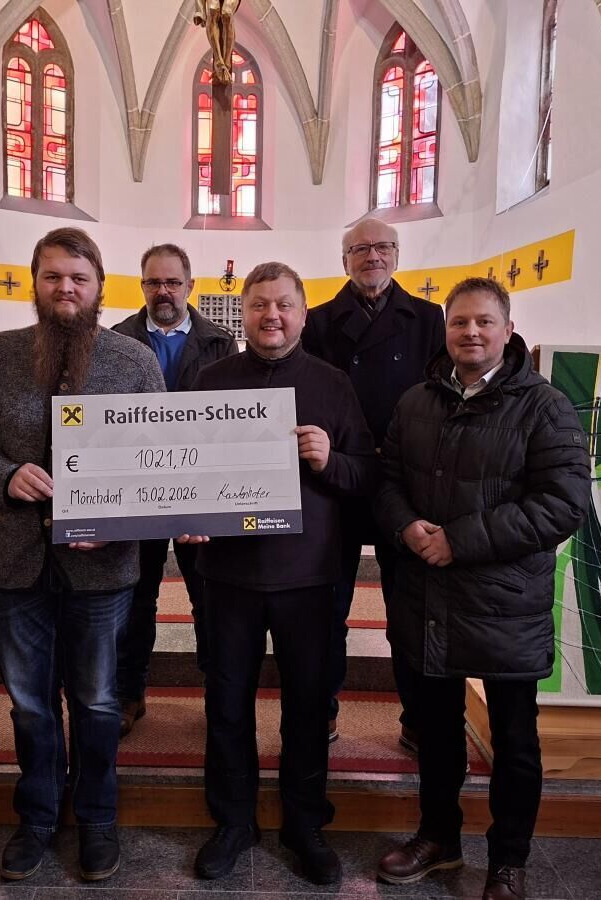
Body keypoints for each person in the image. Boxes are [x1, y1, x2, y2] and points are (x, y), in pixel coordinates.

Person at [0, 228, 164, 884]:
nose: (65, 288)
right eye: (53, 276)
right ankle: (38, 817)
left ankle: (97, 818)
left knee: (97, 703)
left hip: (103, 568)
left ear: (100, 287)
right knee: (30, 704)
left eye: (78, 277)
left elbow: (160, 456)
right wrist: (5, 474)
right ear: (34, 282)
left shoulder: (135, 362)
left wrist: (119, 521)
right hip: (15, 563)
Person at [373, 277, 590, 900]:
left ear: (508, 330)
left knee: (514, 742)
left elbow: (563, 505)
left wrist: (459, 541)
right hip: (428, 595)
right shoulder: (416, 401)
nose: (471, 332)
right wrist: (405, 525)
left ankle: (508, 860)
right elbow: (387, 479)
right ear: (445, 330)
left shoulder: (545, 406)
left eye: (484, 322)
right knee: (436, 732)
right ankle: (438, 837)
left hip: (505, 601)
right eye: (459, 322)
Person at [187, 262, 379, 886]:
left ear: (302, 313)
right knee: (226, 704)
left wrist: (330, 460)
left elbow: (368, 473)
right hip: (229, 576)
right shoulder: (211, 381)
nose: (272, 316)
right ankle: (233, 821)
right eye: (260, 305)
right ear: (241, 313)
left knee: (307, 707)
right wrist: (184, 515)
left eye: (284, 305)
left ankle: (304, 823)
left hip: (310, 577)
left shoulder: (332, 384)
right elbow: (184, 468)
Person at [301, 217, 445, 746]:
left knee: (408, 611)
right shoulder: (317, 322)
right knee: (327, 609)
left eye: (383, 247)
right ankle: (322, 711)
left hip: (402, 484)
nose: (373, 257)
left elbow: (442, 399)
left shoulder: (429, 319)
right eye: (360, 249)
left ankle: (418, 718)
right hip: (334, 481)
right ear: (344, 260)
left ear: (397, 255)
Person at [112, 243, 238, 736]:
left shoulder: (220, 342)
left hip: (198, 492)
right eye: (153, 282)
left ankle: (217, 694)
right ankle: (129, 693)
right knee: (134, 597)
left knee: (208, 598)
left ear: (190, 286)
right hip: (134, 490)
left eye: (172, 282)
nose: (162, 291)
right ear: (142, 286)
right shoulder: (116, 339)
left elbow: (228, 420)